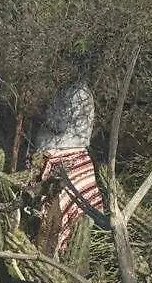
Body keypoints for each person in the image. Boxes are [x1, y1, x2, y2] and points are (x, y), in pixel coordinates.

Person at [28, 79, 106, 255]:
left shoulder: (76, 93)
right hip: (73, 149)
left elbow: (58, 123)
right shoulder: (77, 90)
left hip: (64, 148)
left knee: (58, 206)